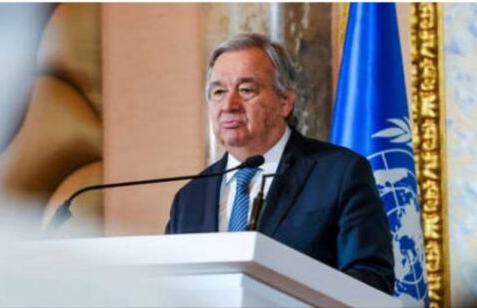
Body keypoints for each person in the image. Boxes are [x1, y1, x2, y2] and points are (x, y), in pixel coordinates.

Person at [165, 33, 394, 294]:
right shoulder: (189, 199)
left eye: (246, 89)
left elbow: (371, 280)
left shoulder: (339, 173)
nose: (229, 104)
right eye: (219, 92)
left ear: (285, 101)